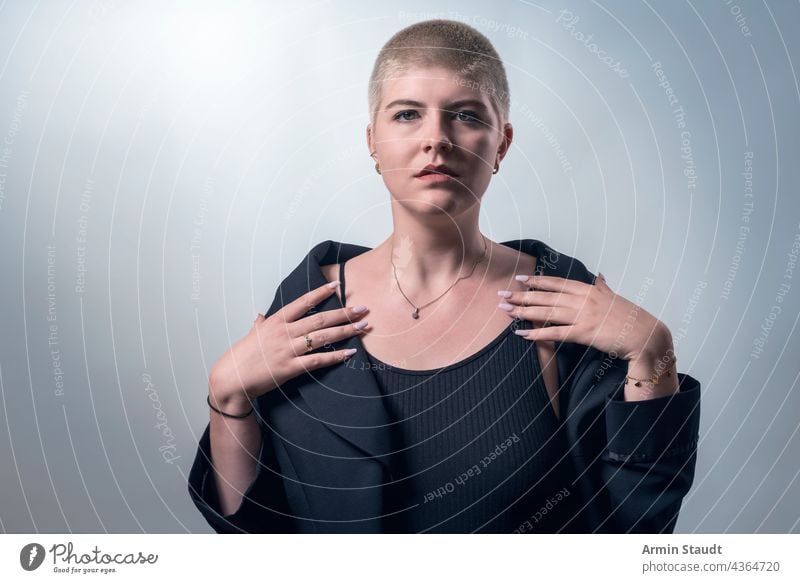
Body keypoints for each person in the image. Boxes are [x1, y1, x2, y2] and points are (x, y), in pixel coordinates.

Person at [188, 19, 701, 534]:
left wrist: (653, 352)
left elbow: (636, 523)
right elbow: (256, 530)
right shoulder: (309, 300)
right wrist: (226, 397)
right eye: (407, 114)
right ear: (373, 141)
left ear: (502, 143)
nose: (436, 139)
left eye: (466, 115)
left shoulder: (559, 299)